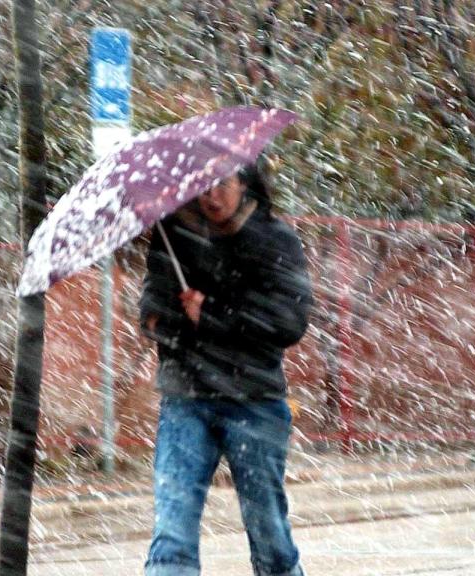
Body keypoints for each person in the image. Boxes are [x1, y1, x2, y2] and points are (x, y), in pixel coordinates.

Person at [139, 160, 313, 576]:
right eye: (202, 186)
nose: (211, 196)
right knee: (172, 529)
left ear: (246, 184)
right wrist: (187, 323)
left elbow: (288, 323)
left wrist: (212, 315)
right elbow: (152, 316)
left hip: (254, 401)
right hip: (186, 398)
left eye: (222, 184)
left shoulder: (276, 242)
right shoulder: (173, 236)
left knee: (268, 531)